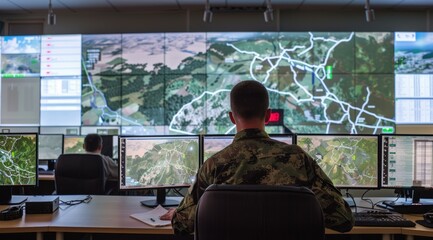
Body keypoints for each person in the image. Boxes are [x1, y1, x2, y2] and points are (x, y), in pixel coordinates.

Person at [160, 80, 354, 234]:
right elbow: (343, 219)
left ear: (232, 117)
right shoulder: (298, 159)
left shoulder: (214, 165)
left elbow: (182, 225)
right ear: (269, 115)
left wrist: (181, 214)